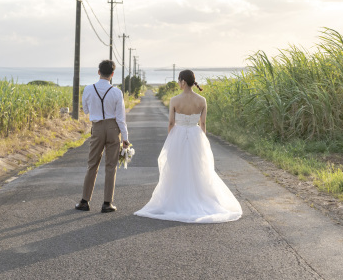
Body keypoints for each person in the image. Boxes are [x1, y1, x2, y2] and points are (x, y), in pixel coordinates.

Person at [134, 69, 242, 223]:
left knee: (176, 168)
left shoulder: (174, 100)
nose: (178, 83)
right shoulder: (202, 100)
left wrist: (170, 138)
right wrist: (202, 140)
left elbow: (171, 123)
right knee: (198, 169)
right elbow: (203, 123)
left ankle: (177, 199)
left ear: (183, 82)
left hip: (178, 134)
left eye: (179, 80)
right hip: (196, 135)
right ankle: (198, 198)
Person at [75, 59, 129, 213]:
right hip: (113, 128)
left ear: (98, 72)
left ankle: (85, 201)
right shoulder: (117, 92)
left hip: (97, 128)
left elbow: (85, 110)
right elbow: (121, 118)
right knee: (111, 166)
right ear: (112, 74)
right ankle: (107, 203)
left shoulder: (88, 89)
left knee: (92, 164)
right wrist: (125, 138)